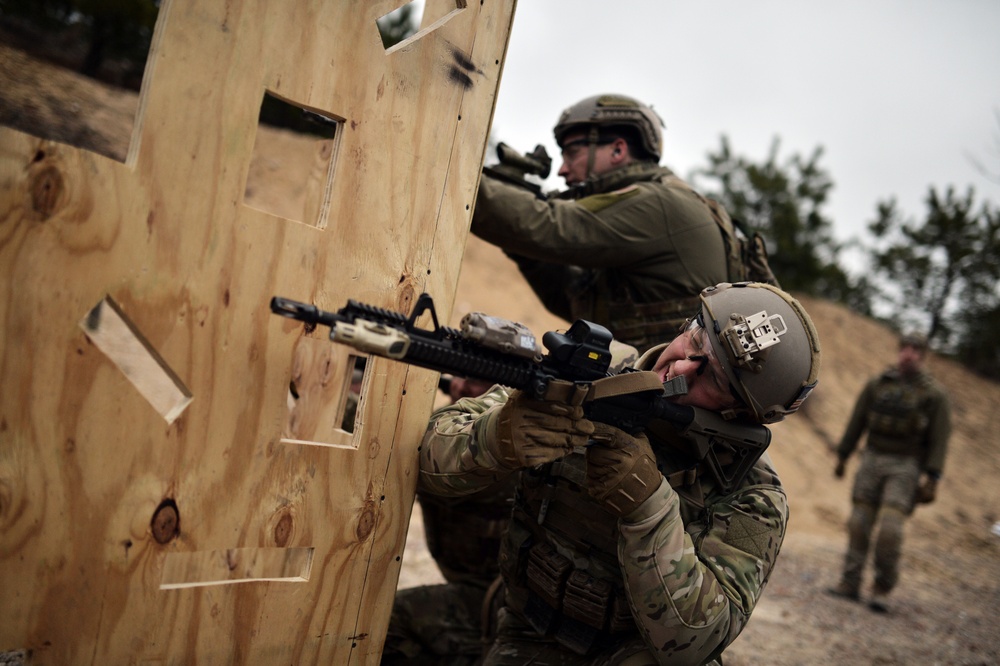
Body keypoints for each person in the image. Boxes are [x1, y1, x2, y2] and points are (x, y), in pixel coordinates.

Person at [412, 282, 821, 665]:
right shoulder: (599, 373)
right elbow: (427, 455)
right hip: (524, 632)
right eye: (694, 341)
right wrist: (496, 438)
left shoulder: (753, 494)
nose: (680, 368)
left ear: (740, 415)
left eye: (712, 377)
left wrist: (648, 509)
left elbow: (698, 640)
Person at [472, 94, 751, 351]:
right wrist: (524, 250)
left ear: (618, 150)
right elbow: (577, 303)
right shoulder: (663, 204)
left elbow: (552, 227)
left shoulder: (658, 205)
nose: (562, 169)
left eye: (572, 153)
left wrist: (458, 175)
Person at [828, 332, 951, 613]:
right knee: (858, 522)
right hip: (871, 459)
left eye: (915, 350)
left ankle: (882, 588)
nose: (908, 354)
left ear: (923, 355)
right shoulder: (877, 385)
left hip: (905, 465)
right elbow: (857, 420)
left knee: (890, 529)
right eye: (905, 348)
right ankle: (850, 582)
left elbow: (940, 438)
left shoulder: (934, 395)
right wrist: (843, 455)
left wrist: (933, 477)